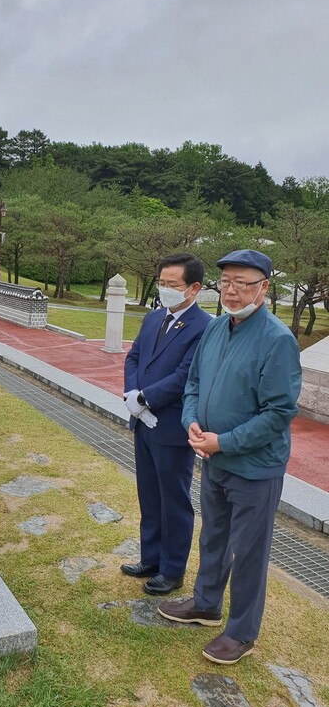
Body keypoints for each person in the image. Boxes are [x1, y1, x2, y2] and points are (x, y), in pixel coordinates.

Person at [158, 249, 302, 665]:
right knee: (213, 537)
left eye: (244, 283)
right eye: (226, 282)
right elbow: (194, 383)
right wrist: (190, 421)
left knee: (249, 551)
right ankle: (205, 603)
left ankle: (241, 632)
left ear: (264, 288)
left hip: (254, 468)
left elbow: (279, 413)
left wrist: (225, 442)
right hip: (213, 458)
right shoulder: (217, 328)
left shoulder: (277, 340)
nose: (233, 291)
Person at [121, 253, 211, 595]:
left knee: (174, 500)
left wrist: (145, 399)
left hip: (172, 426)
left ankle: (172, 569)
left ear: (193, 288)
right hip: (143, 423)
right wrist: (133, 397)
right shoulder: (154, 318)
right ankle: (151, 558)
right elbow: (134, 357)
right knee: (149, 494)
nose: (164, 290)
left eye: (172, 285)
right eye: (161, 283)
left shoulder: (204, 326)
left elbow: (185, 375)